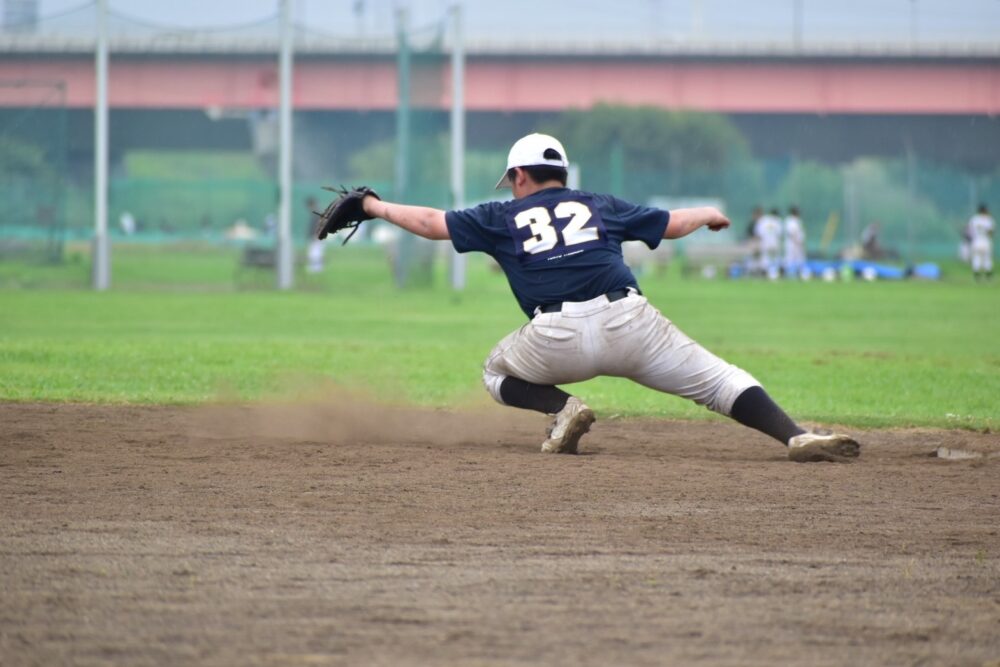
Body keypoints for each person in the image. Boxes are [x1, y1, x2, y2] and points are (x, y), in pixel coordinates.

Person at [349, 133, 860, 463]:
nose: (511, 188)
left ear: (520, 176)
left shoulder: (500, 215)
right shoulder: (599, 204)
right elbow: (673, 224)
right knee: (721, 381)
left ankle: (564, 408)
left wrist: (372, 205)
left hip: (554, 337)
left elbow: (431, 223)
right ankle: (793, 435)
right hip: (631, 324)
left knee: (495, 371)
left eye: (512, 181)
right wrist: (706, 211)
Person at [967, 203, 995, 281]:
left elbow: (969, 230)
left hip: (976, 240)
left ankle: (977, 276)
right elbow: (991, 232)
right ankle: (988, 276)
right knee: (987, 258)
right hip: (985, 240)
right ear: (985, 210)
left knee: (976, 258)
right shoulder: (988, 219)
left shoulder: (974, 219)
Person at [754, 207, 782, 279]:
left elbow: (758, 234)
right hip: (774, 243)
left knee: (765, 258)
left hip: (765, 243)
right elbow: (779, 234)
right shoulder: (777, 220)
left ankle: (765, 273)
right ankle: (774, 273)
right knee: (775, 259)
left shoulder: (763, 220)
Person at [783, 205, 806, 277]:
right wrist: (797, 242)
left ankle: (799, 273)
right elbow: (792, 233)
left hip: (797, 243)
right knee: (791, 259)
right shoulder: (791, 221)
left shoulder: (797, 221)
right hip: (793, 243)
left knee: (799, 258)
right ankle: (790, 273)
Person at [305, 196, 326, 274]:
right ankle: (315, 268)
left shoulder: (317, 213)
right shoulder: (317, 213)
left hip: (317, 237)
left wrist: (316, 235)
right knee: (315, 252)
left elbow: (319, 225)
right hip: (316, 236)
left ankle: (316, 269)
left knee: (315, 253)